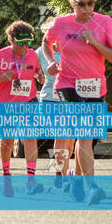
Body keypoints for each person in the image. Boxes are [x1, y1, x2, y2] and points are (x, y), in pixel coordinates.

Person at [42, 0, 112, 204]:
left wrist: (94, 41)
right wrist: (50, 61)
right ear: (72, 3)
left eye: (91, 3)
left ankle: (76, 178)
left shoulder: (106, 23)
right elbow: (46, 41)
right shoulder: (60, 23)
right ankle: (92, 187)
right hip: (67, 83)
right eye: (82, 4)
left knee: (88, 139)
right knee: (82, 132)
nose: (87, 8)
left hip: (96, 87)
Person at [0, 21, 45, 196]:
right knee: (7, 141)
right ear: (11, 40)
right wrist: (0, 78)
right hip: (5, 104)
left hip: (28, 102)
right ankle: (6, 178)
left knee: (30, 139)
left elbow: (37, 71)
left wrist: (39, 76)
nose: (25, 46)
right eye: (21, 42)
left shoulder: (32, 55)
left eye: (28, 42)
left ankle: (31, 180)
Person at [36, 17, 74, 192]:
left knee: (70, 140)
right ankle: (61, 175)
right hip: (50, 99)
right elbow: (31, 71)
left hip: (71, 98)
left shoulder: (73, 50)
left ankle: (63, 172)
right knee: (61, 136)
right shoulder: (39, 53)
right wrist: (37, 76)